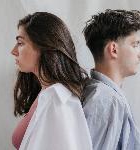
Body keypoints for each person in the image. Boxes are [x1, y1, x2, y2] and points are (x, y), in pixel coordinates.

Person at [11, 12, 92, 150]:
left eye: (20, 43)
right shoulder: (47, 93)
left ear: (44, 46)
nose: (13, 51)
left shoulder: (58, 100)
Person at [83, 9, 140, 150]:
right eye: (135, 45)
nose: (139, 53)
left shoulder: (97, 92)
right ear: (113, 49)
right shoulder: (106, 100)